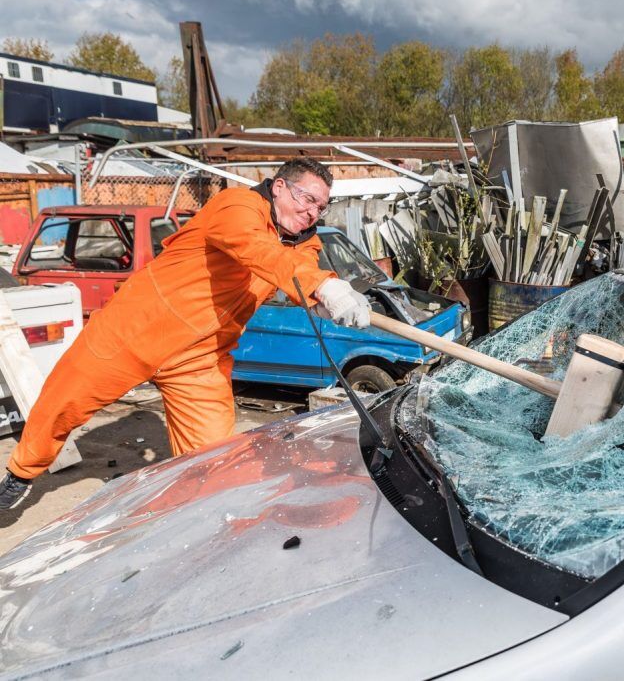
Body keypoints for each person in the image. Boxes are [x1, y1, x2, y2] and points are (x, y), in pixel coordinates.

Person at [0, 157, 370, 511]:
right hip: (136, 329)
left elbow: (299, 270)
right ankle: (22, 472)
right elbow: (258, 251)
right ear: (278, 188)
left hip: (200, 358)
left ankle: (200, 515)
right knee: (65, 399)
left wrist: (320, 295)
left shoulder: (304, 242)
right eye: (307, 199)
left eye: (321, 206)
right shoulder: (237, 206)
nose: (312, 212)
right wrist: (320, 285)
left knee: (216, 461)